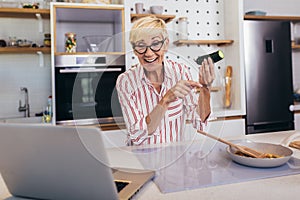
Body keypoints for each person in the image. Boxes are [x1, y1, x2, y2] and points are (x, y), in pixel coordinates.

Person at [116, 16, 215, 146]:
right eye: (141, 45)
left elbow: (200, 122)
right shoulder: (126, 82)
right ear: (134, 50)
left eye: (155, 44)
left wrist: (205, 88)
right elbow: (137, 136)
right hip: (140, 161)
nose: (149, 53)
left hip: (174, 158)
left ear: (166, 44)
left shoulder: (181, 72)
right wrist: (166, 100)